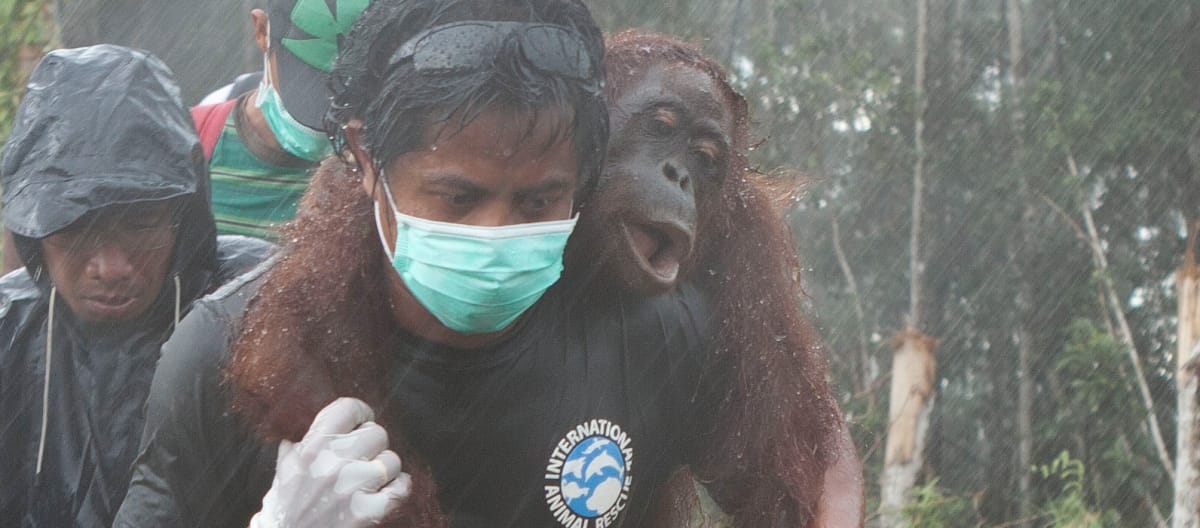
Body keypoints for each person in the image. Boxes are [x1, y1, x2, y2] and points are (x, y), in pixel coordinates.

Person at [0, 45, 273, 527]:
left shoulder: (253, 309)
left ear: (181, 217)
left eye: (141, 222)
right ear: (34, 230)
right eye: (74, 227)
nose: (110, 266)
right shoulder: (10, 330)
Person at [192, 0, 370, 240]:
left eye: (350, 90)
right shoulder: (191, 141)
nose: (328, 117)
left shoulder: (389, 164)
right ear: (262, 31)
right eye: (309, 80)